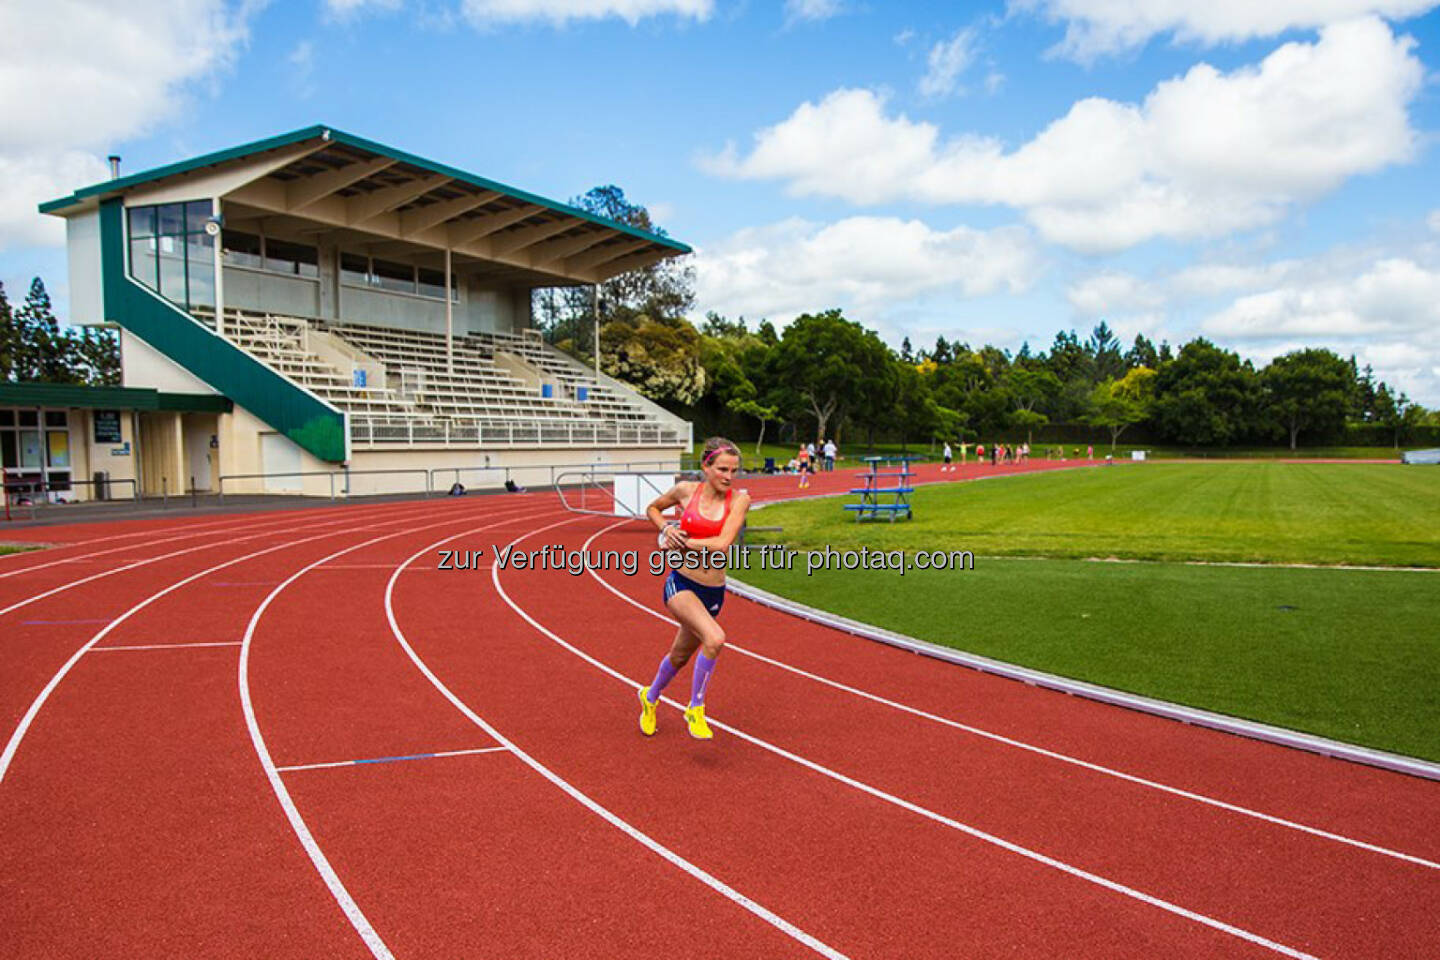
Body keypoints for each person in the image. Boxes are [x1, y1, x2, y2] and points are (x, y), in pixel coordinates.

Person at [639, 437, 751, 741]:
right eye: (723, 469)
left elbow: (721, 543)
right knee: (715, 638)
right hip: (681, 584)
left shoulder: (739, 500)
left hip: (713, 591)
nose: (729, 476)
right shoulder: (686, 491)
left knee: (679, 656)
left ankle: (649, 698)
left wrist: (680, 542)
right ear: (706, 466)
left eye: (734, 470)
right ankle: (695, 708)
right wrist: (665, 529)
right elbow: (653, 508)